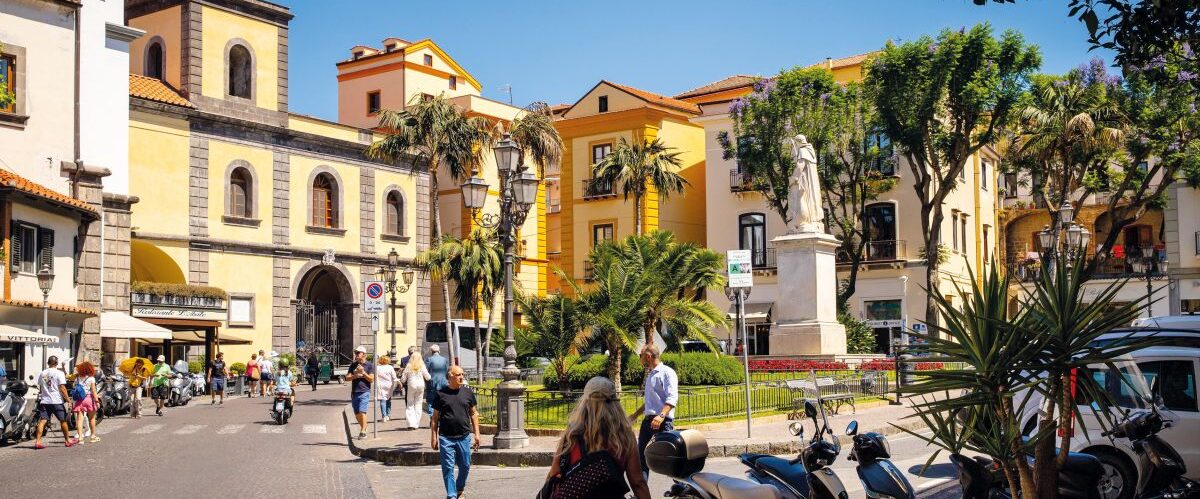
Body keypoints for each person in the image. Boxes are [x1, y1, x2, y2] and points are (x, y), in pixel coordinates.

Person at [545, 377, 651, 499]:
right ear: (614, 403)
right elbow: (638, 483)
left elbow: (554, 473)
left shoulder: (573, 433)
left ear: (584, 402)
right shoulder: (624, 435)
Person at [630, 344, 678, 481]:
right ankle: (642, 492)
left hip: (662, 422)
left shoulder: (667, 372)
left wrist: (661, 415)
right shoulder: (651, 374)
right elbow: (650, 402)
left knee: (669, 457)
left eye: (640, 355)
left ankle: (685, 487)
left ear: (648, 357)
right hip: (648, 422)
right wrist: (635, 415)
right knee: (641, 457)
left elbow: (672, 397)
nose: (639, 359)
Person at [430, 365, 479, 499]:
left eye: (462, 374)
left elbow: (474, 414)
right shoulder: (440, 394)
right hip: (446, 437)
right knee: (448, 468)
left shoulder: (468, 392)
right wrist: (433, 437)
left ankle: (459, 489)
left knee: (465, 466)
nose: (462, 377)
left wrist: (477, 434)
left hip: (464, 436)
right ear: (450, 376)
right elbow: (434, 418)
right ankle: (452, 495)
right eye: (458, 375)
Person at [33, 356, 76, 449]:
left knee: (43, 420)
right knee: (63, 420)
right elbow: (62, 388)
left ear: (48, 363)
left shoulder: (43, 373)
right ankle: (67, 440)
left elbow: (40, 385)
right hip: (56, 400)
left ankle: (38, 441)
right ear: (56, 363)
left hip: (45, 400)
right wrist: (68, 400)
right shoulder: (59, 373)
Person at [347, 346, 375, 439]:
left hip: (364, 391)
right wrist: (355, 375)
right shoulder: (353, 365)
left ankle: (363, 431)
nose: (356, 355)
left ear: (364, 354)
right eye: (356, 353)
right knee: (357, 413)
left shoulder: (369, 365)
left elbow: (371, 379)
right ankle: (364, 426)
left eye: (358, 353)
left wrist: (363, 373)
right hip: (354, 392)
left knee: (362, 411)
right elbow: (347, 378)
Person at [71, 361, 101, 444]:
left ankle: (80, 438)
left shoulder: (77, 378)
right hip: (89, 399)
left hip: (79, 400)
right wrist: (97, 401)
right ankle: (93, 436)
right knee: (92, 418)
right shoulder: (91, 378)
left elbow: (74, 387)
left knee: (79, 419)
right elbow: (94, 391)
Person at [401, 351, 431, 429]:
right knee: (418, 404)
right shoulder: (422, 366)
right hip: (421, 386)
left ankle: (410, 424)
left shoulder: (409, 366)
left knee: (410, 404)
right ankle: (416, 424)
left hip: (411, 386)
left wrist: (403, 380)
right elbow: (428, 377)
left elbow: (403, 379)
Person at [425, 344, 449, 417]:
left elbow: (426, 371)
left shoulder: (429, 359)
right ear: (439, 351)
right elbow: (447, 371)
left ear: (431, 351)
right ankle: (441, 416)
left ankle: (432, 417)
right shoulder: (445, 359)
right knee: (442, 400)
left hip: (432, 383)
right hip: (443, 383)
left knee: (431, 401)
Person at [376, 356, 396, 423]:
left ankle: (384, 416)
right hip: (389, 385)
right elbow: (394, 377)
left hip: (381, 385)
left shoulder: (377, 368)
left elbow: (375, 377)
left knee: (383, 400)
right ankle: (388, 415)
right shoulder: (390, 367)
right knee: (388, 400)